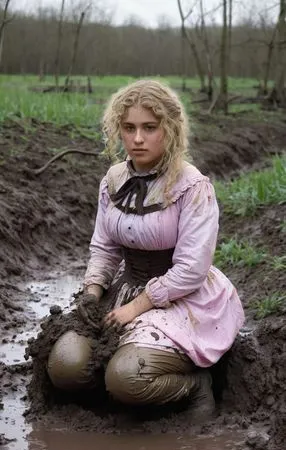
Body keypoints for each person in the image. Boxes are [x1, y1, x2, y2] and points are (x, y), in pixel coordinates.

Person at [47, 79, 245, 418]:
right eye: (129, 128)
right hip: (125, 289)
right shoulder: (112, 180)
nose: (137, 139)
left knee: (127, 377)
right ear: (118, 130)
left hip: (181, 297)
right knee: (66, 366)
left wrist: (136, 308)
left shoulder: (193, 187)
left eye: (149, 128)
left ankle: (196, 386)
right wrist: (92, 293)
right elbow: (104, 248)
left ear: (169, 129)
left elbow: (190, 270)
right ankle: (114, 392)